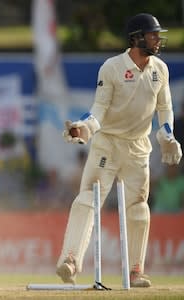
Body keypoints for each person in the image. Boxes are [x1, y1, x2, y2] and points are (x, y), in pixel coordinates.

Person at [57, 13, 182, 288]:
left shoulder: (160, 68)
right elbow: (99, 109)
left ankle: (136, 271)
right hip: (108, 144)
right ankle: (70, 260)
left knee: (138, 208)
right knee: (88, 198)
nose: (158, 40)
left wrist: (167, 135)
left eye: (158, 35)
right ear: (136, 38)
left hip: (138, 147)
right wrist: (84, 128)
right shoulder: (112, 67)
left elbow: (165, 109)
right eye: (152, 35)